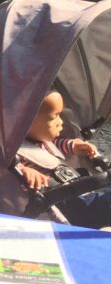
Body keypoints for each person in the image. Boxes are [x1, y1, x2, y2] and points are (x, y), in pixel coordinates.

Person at [15, 91, 110, 229]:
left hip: (79, 194)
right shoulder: (17, 154)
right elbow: (9, 168)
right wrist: (24, 170)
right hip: (68, 205)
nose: (61, 122)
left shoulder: (41, 142)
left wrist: (74, 145)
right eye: (54, 117)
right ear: (26, 121)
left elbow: (56, 145)